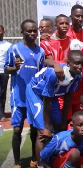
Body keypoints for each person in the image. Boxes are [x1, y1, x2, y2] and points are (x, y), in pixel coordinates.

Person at [26, 50, 83, 167]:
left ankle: (54, 160)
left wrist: (64, 121)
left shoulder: (78, 76)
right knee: (43, 131)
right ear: (68, 63)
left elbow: (68, 97)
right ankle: (40, 165)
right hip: (36, 93)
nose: (80, 66)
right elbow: (46, 102)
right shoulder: (54, 74)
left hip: (51, 96)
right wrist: (47, 127)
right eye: (77, 63)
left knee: (59, 127)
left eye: (82, 63)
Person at [4, 19, 45, 168]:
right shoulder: (14, 49)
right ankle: (16, 162)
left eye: (35, 30)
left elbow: (41, 73)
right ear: (22, 32)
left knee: (34, 129)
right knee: (17, 129)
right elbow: (6, 69)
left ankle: (34, 158)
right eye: (29, 30)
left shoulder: (41, 52)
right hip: (18, 96)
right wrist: (14, 68)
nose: (33, 33)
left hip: (33, 96)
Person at [0, 25, 11, 122]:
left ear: (3, 32)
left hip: (3, 72)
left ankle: (1, 115)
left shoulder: (8, 45)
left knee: (2, 94)